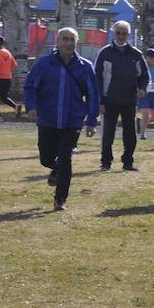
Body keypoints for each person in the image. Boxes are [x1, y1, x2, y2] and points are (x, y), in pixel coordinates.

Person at [23, 27, 100, 211]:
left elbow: (93, 95)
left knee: (66, 159)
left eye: (72, 40)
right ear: (57, 42)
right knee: (46, 158)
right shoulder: (44, 64)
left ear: (76, 43)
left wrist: (91, 121)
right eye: (65, 39)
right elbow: (30, 86)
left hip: (72, 121)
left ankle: (60, 199)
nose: (68, 43)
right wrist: (32, 107)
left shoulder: (85, 67)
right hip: (48, 119)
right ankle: (55, 168)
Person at [94, 21, 148, 171]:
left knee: (130, 134)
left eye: (124, 33)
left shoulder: (136, 54)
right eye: (118, 32)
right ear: (113, 33)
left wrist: (142, 88)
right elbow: (97, 77)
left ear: (128, 34)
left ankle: (128, 162)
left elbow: (144, 75)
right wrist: (100, 100)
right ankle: (105, 163)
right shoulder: (104, 53)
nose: (121, 36)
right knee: (108, 133)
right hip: (109, 100)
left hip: (129, 100)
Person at [0, 36, 21, 122]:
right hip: (7, 77)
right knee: (4, 97)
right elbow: (14, 64)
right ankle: (15, 106)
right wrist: (7, 70)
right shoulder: (7, 52)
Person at [136, 48, 154, 139]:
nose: (153, 60)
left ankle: (140, 123)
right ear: (146, 58)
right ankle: (142, 135)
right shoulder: (141, 66)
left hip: (153, 94)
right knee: (146, 114)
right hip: (144, 93)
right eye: (151, 58)